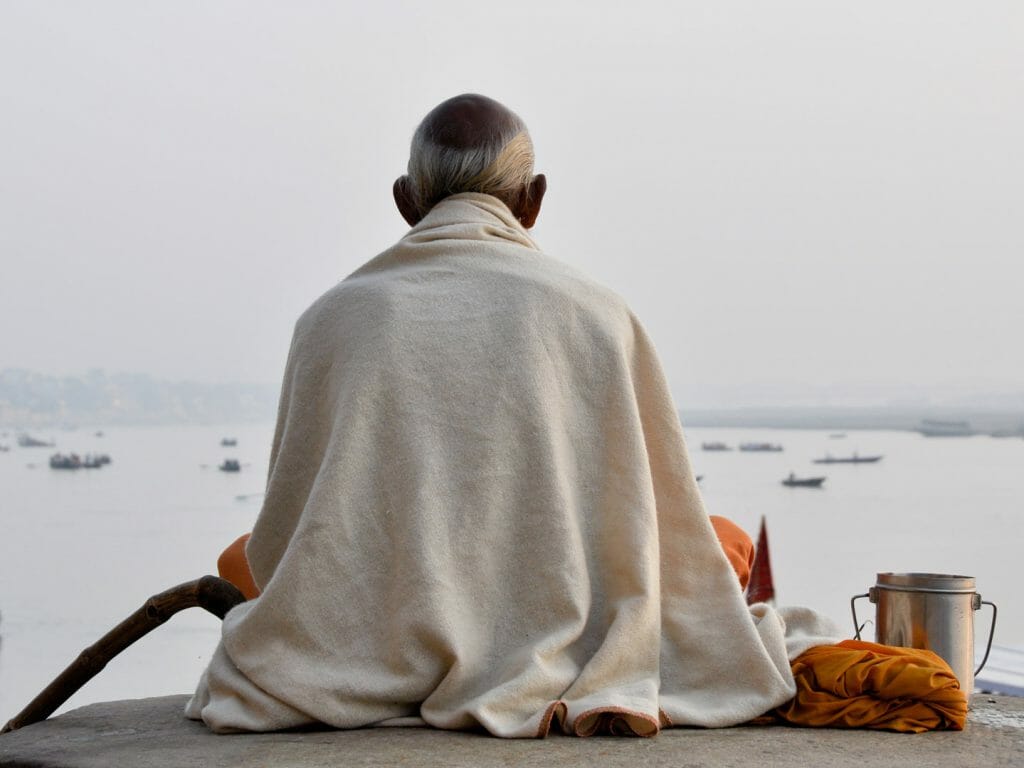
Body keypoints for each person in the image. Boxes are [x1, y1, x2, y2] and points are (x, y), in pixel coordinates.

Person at [186, 94, 840, 737]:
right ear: (533, 200)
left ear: (406, 201)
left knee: (238, 559)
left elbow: (288, 534)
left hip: (367, 635)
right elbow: (650, 521)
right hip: (562, 624)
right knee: (721, 537)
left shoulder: (331, 319)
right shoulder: (597, 313)